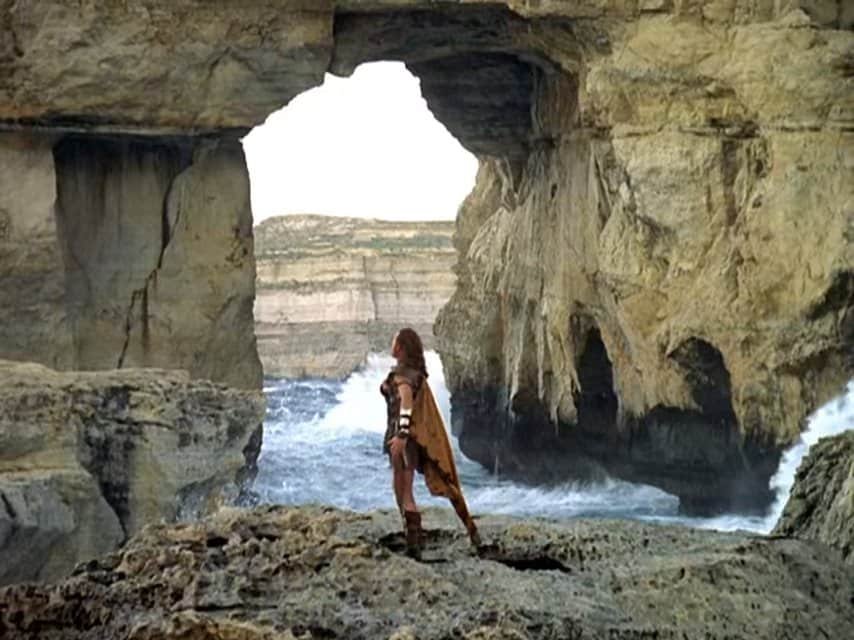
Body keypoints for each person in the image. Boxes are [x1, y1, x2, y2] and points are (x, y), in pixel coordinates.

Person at [380, 327, 481, 559]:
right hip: (404, 438)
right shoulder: (413, 374)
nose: (392, 344)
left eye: (395, 341)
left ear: (401, 347)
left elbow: (406, 404)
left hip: (403, 439)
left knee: (404, 491)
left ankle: (413, 541)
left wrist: (401, 436)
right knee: (401, 487)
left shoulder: (404, 375)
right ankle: (412, 535)